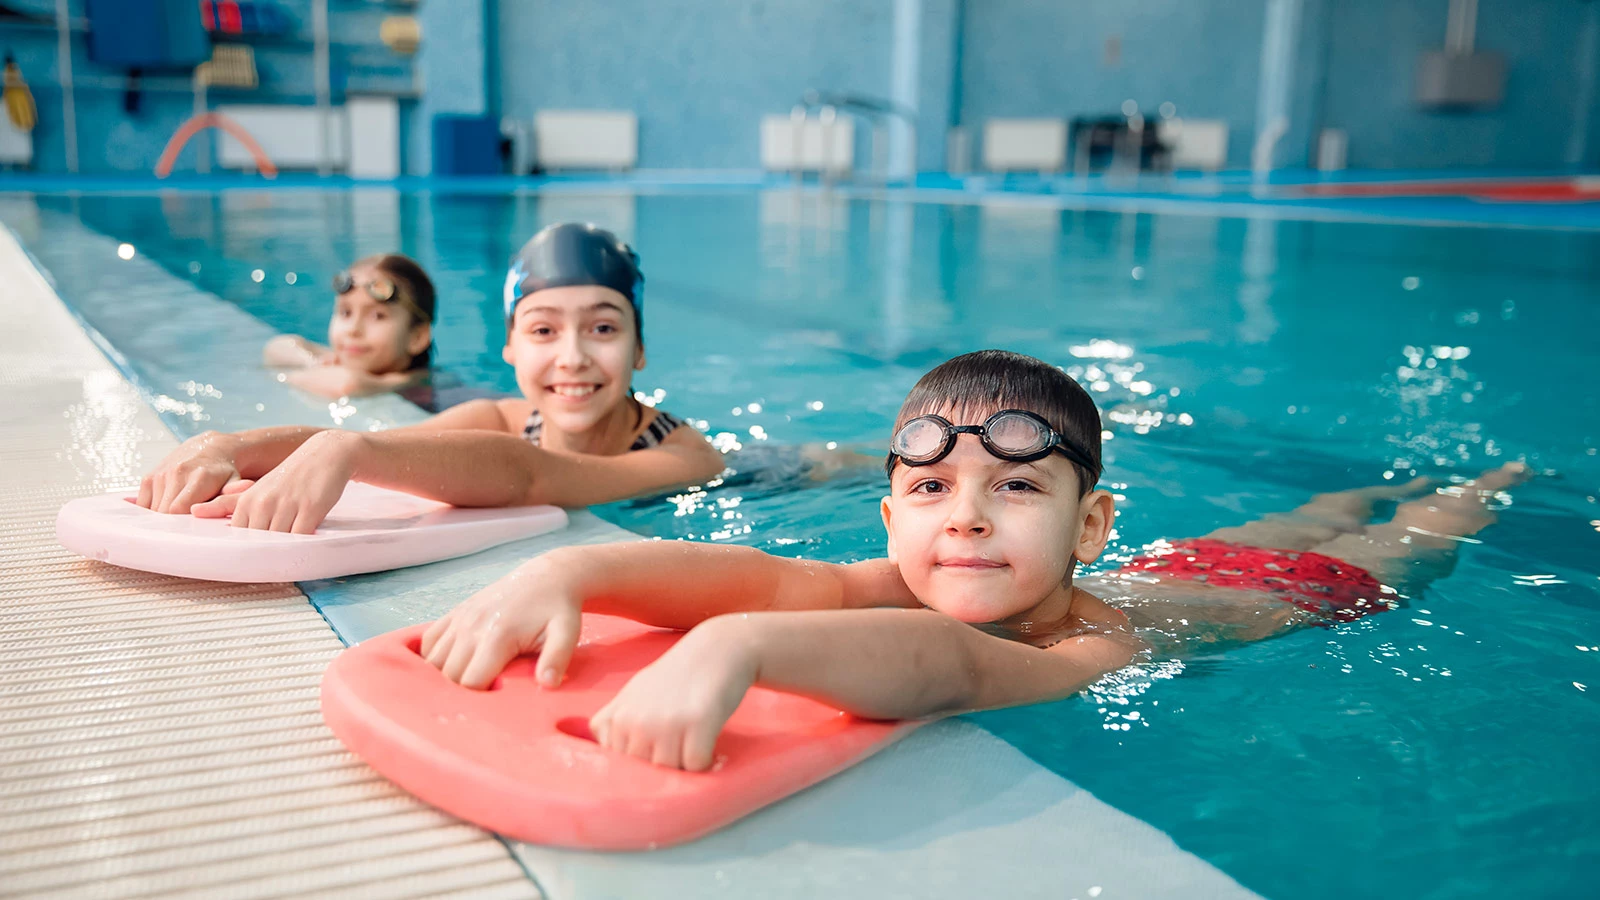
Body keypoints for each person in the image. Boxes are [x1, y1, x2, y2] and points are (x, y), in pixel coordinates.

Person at [421, 349, 1529, 772]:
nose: (968, 521)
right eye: (931, 492)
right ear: (890, 522)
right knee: (1315, 506)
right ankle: (1372, 482)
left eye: (1016, 489)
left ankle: (1494, 481)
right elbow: (766, 579)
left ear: (1087, 528)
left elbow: (953, 668)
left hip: (1317, 600)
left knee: (1413, 531)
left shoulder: (1093, 636)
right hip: (1193, 553)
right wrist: (566, 575)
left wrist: (744, 650)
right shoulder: (908, 574)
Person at [139, 223, 725, 532]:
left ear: (641, 347)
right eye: (543, 332)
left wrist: (349, 450)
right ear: (510, 349)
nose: (571, 357)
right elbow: (392, 452)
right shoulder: (502, 418)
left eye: (602, 329)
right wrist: (230, 448)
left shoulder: (687, 458)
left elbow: (531, 476)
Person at [263, 254, 437, 400]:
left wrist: (288, 377)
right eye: (346, 313)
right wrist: (313, 361)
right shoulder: (343, 357)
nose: (353, 329)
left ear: (417, 337)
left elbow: (347, 385)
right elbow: (277, 347)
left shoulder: (418, 381)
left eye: (377, 316)